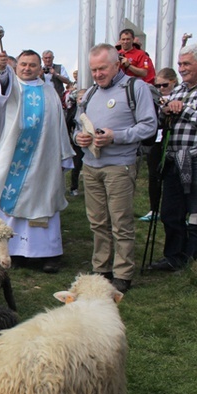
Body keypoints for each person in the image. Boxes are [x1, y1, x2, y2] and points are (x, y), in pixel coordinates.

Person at [0, 50, 75, 274]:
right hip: (15, 157)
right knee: (11, 206)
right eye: (23, 64)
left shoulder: (50, 92)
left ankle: (48, 255)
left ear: (39, 68)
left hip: (44, 159)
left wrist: (63, 154)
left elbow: (59, 124)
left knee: (45, 203)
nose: (27, 68)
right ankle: (14, 251)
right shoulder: (13, 86)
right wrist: (2, 70)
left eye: (32, 65)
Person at [73, 43, 157, 291]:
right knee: (98, 222)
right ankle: (101, 267)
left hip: (119, 167)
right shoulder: (89, 94)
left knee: (121, 221)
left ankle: (123, 273)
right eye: (93, 70)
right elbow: (78, 126)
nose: (98, 74)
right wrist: (80, 138)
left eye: (102, 69)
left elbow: (149, 126)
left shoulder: (135, 88)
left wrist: (115, 136)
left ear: (117, 65)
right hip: (91, 165)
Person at [148, 45, 197, 271]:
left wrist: (182, 108)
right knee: (170, 211)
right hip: (173, 158)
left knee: (195, 211)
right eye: (180, 64)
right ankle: (174, 257)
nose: (182, 68)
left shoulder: (183, 97)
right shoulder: (177, 90)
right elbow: (162, 116)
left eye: (186, 63)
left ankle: (192, 258)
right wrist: (165, 111)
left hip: (194, 160)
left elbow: (189, 114)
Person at [140, 68, 180, 222]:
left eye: (164, 85)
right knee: (153, 175)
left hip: (172, 140)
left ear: (173, 82)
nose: (161, 89)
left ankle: (177, 212)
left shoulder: (179, 95)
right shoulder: (154, 97)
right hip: (156, 140)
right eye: (157, 86)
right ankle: (154, 209)